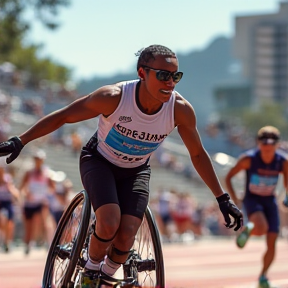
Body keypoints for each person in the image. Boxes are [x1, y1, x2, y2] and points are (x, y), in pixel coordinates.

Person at [0, 44, 242, 286]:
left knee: (126, 235)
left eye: (175, 76)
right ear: (142, 73)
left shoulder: (180, 110)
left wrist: (222, 198)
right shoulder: (113, 97)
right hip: (99, 161)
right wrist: (21, 140)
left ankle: (106, 275)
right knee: (108, 221)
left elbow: (198, 154)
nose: (170, 83)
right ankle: (90, 270)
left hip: (136, 171)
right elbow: (65, 115)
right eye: (163, 75)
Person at [225, 125, 288, 288]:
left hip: (270, 201)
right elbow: (229, 177)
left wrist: (286, 197)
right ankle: (249, 228)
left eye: (271, 147)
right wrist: (235, 199)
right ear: (259, 144)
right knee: (261, 227)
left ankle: (263, 276)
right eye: (264, 146)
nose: (267, 151)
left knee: (272, 240)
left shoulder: (283, 161)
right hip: (252, 199)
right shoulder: (249, 159)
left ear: (277, 145)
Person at [19, 149, 55, 254]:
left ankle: (46, 243)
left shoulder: (47, 174)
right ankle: (28, 244)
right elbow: (22, 187)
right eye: (36, 159)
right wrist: (26, 194)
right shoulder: (29, 173)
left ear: (43, 160)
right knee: (29, 225)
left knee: (44, 222)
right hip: (29, 203)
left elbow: (52, 188)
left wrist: (46, 196)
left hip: (41, 202)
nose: (38, 161)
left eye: (40, 159)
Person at [0, 157, 19, 252]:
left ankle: (7, 242)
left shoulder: (8, 179)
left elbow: (15, 192)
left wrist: (9, 188)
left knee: (9, 222)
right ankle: (4, 239)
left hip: (7, 202)